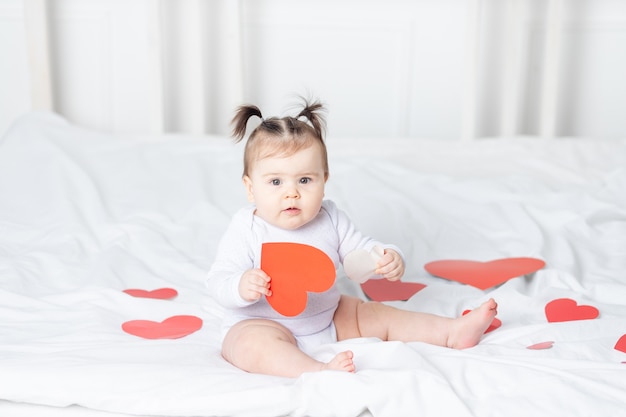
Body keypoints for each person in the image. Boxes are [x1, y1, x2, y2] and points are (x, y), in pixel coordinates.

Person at [206, 98, 498, 378]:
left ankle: (451, 332)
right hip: (263, 322)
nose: (291, 192)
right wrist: (241, 285)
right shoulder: (247, 228)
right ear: (250, 188)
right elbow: (219, 279)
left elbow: (359, 252)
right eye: (275, 181)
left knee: (380, 315)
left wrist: (385, 256)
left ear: (325, 180)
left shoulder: (329, 217)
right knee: (248, 346)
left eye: (305, 180)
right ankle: (316, 370)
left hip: (328, 316)